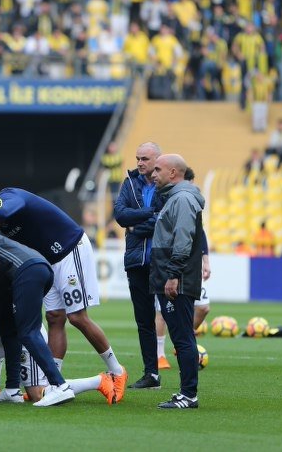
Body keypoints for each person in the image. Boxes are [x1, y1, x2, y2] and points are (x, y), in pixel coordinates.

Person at [0, 188, 128, 401]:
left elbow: (14, 207)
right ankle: (54, 382)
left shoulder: (5, 197)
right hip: (48, 261)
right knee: (54, 318)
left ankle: (117, 371)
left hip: (69, 248)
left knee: (77, 317)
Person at [150, 154, 205, 409]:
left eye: (158, 169)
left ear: (173, 173)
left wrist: (173, 275)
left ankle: (188, 395)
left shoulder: (182, 199)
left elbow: (182, 240)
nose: (153, 173)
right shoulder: (175, 198)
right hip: (171, 276)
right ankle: (187, 393)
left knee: (183, 337)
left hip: (177, 279)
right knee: (182, 336)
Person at [113, 142, 164, 389]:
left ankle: (187, 372)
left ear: (157, 159)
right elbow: (120, 215)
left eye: (144, 158)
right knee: (144, 320)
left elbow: (164, 219)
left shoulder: (166, 183)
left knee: (172, 317)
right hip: (135, 261)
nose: (140, 163)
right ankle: (151, 374)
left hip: (161, 260)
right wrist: (148, 215)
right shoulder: (129, 183)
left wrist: (135, 226)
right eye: (137, 158)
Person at [155, 167, 211, 369]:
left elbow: (190, 235)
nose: (154, 175)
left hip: (182, 269)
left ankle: (188, 387)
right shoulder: (170, 198)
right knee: (163, 312)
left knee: (201, 310)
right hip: (172, 268)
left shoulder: (185, 200)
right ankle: (161, 354)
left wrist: (204, 259)